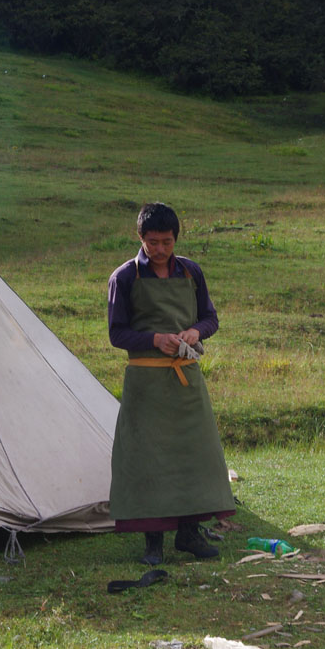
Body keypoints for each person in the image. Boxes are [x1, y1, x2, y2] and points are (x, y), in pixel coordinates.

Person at [106, 202, 235, 565]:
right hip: (146, 384)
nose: (160, 249)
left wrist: (196, 331)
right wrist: (153, 340)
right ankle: (153, 543)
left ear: (176, 238)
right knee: (149, 459)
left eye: (166, 242)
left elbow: (210, 318)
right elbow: (117, 334)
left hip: (186, 382)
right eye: (152, 242)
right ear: (140, 238)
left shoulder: (191, 272)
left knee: (195, 456)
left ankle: (189, 534)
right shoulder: (125, 277)